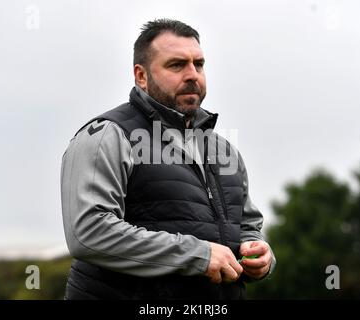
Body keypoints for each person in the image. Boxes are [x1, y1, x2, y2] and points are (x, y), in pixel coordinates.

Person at [60, 18, 276, 300]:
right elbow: (88, 232)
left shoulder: (224, 149)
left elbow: (247, 227)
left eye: (198, 64)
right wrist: (198, 255)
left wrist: (260, 254)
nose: (192, 75)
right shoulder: (106, 136)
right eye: (176, 65)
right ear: (141, 76)